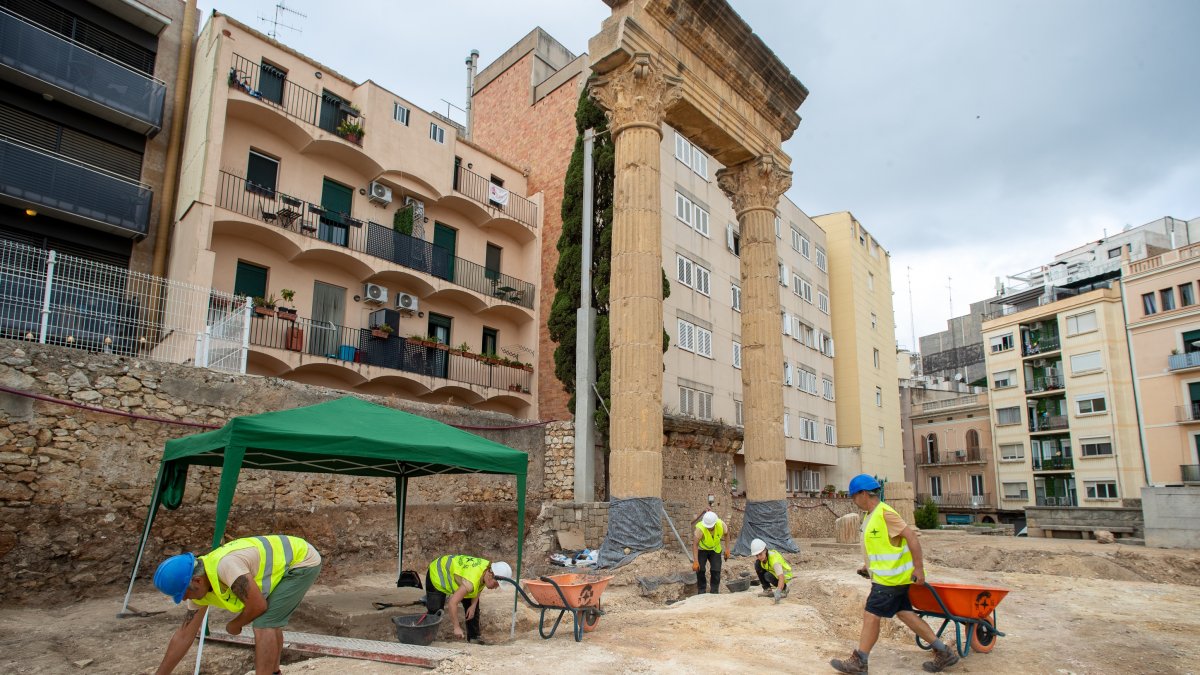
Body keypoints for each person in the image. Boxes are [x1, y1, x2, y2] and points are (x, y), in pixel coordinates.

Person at [830, 475, 959, 674]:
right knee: (906, 614)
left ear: (864, 494)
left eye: (854, 497)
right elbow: (882, 547)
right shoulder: (870, 516)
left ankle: (860, 661)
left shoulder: (885, 513)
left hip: (889, 582)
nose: (854, 501)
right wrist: (868, 566)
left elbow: (911, 537)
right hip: (888, 579)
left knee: (871, 615)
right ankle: (944, 652)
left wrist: (919, 569)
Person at [152, 535, 322, 675]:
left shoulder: (226, 567)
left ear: (197, 580)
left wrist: (235, 624)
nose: (183, 600)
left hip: (301, 561)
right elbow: (184, 635)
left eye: (183, 594)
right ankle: (274, 671)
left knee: (265, 623)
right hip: (284, 564)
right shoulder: (200, 586)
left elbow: (258, 606)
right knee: (269, 621)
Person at [425, 554, 512, 644]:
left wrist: (473, 606)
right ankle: (427, 637)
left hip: (461, 576)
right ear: (491, 575)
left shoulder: (486, 568)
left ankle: (474, 637)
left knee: (472, 606)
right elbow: (452, 603)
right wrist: (456, 627)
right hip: (437, 572)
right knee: (435, 610)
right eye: (496, 584)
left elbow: (478, 587)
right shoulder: (471, 581)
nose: (496, 587)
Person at [691, 510, 729, 594]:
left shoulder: (721, 524)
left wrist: (727, 549)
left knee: (716, 570)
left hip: (715, 549)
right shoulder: (700, 529)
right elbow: (695, 544)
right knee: (700, 570)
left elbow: (726, 534)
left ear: (715, 523)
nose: (708, 528)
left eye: (710, 527)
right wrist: (696, 561)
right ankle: (701, 591)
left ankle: (714, 592)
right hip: (702, 549)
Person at [750, 538, 792, 604]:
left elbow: (781, 577)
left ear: (765, 550)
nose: (759, 557)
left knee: (767, 575)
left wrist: (778, 591)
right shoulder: (763, 559)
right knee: (757, 564)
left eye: (760, 554)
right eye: (757, 555)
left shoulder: (774, 560)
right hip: (775, 573)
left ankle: (784, 589)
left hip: (785, 576)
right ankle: (767, 590)